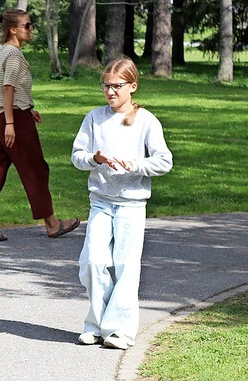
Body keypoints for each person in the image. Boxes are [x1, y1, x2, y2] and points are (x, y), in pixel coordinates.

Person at [71, 57, 172, 350]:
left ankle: (120, 331)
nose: (110, 91)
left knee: (127, 266)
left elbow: (164, 161)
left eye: (117, 86)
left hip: (131, 204)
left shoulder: (146, 121)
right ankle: (97, 325)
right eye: (105, 86)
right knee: (92, 261)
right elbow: (77, 156)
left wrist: (135, 165)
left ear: (133, 86)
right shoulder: (94, 118)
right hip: (101, 202)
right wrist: (94, 159)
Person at [0, 8, 79, 243]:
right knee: (36, 169)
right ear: (13, 29)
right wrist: (11, 123)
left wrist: (29, 108)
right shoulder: (13, 55)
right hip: (13, 120)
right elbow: (7, 87)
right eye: (27, 25)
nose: (31, 29)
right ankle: (52, 224)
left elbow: (8, 89)